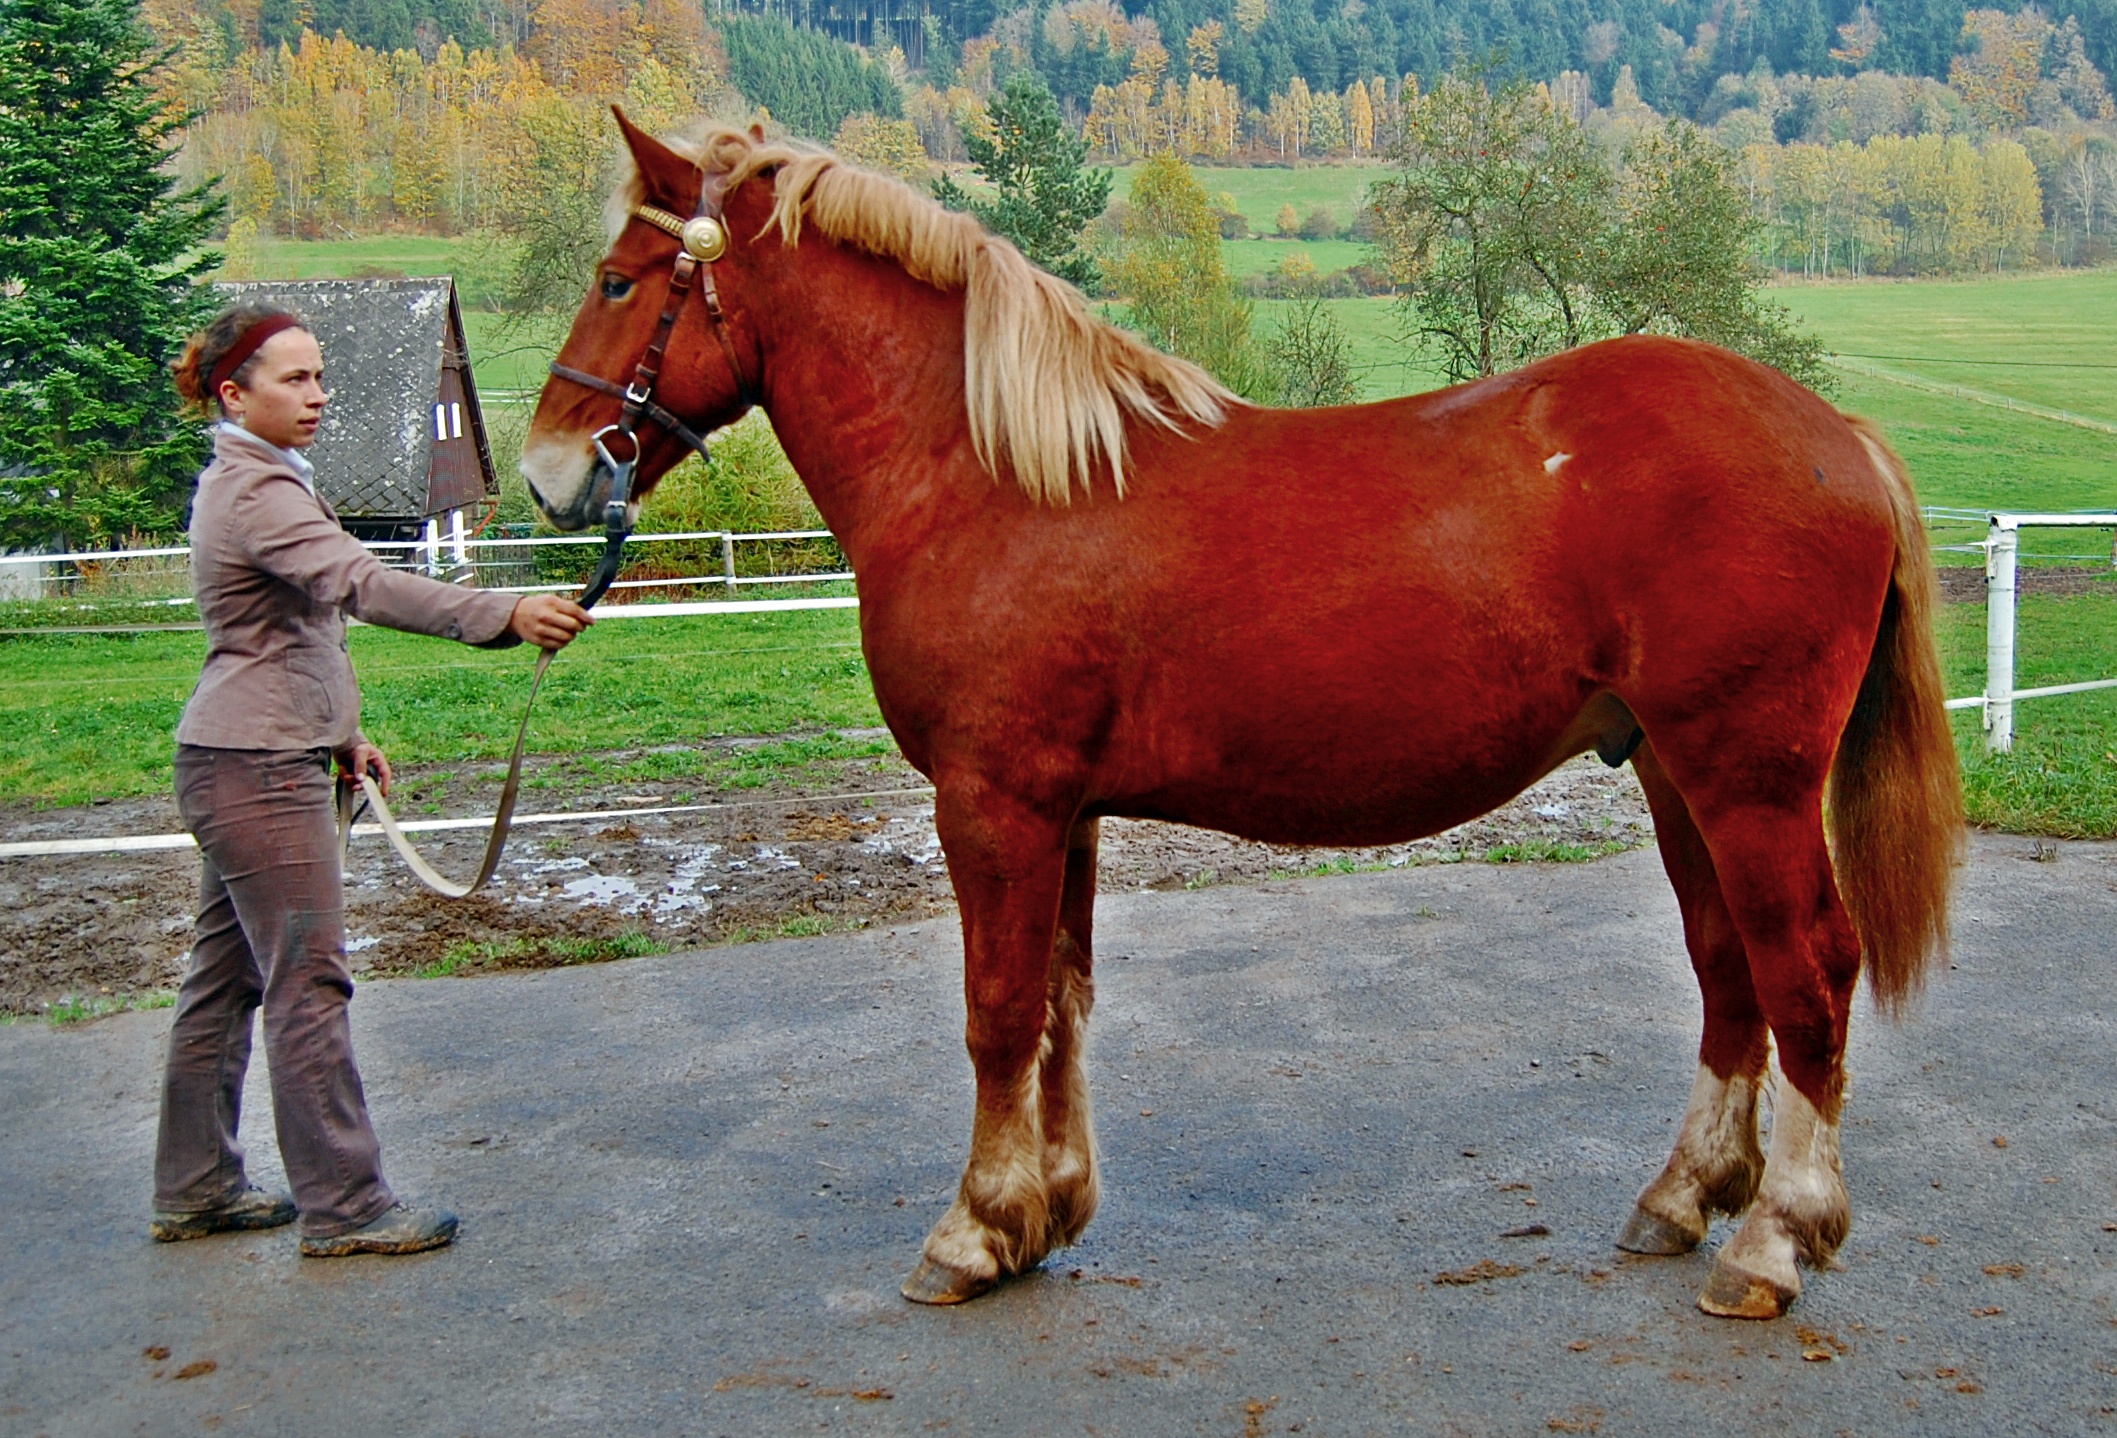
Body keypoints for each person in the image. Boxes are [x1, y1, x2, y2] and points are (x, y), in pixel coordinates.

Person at [150, 302, 592, 1257]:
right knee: (308, 984)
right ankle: (344, 1207)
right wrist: (502, 611)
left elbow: (288, 633)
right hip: (258, 770)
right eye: (294, 380)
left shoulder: (260, 478)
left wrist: (341, 738)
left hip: (250, 754)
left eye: (318, 376)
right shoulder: (258, 492)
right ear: (234, 393)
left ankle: (194, 1186)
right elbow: (361, 584)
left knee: (226, 983)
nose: (319, 395)